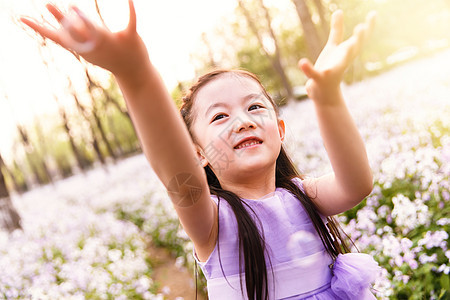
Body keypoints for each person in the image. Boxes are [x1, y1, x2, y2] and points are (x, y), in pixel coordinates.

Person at [21, 1, 380, 299]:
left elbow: (357, 184)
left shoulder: (304, 195)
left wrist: (328, 98)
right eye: (220, 116)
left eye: (255, 107)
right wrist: (135, 74)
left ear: (280, 130)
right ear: (198, 153)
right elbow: (174, 167)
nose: (243, 121)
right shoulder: (211, 220)